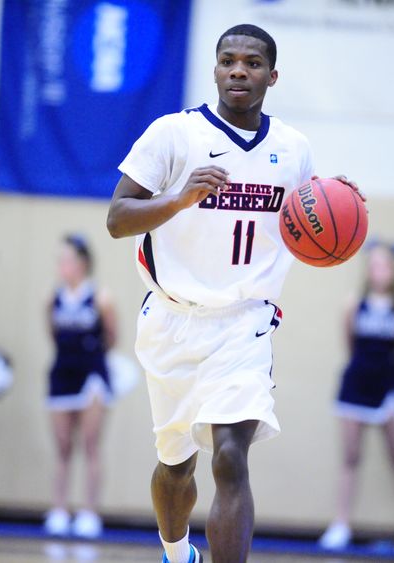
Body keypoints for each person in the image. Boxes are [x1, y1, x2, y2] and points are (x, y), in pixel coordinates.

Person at [106, 24, 362, 563]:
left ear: (272, 76)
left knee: (230, 456)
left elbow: (311, 213)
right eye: (228, 61)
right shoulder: (173, 135)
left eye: (250, 62)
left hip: (245, 320)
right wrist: (179, 199)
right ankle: (177, 554)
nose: (238, 70)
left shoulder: (293, 149)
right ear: (215, 69)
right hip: (172, 318)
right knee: (175, 465)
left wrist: (340, 202)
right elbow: (117, 218)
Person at [318, 241, 394, 555]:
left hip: (390, 385)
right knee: (350, 457)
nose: (379, 270)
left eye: (385, 265)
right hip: (356, 385)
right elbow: (349, 345)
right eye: (374, 265)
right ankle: (341, 525)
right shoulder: (354, 302)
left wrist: (390, 375)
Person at [43, 234, 118, 538]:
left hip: (92, 376)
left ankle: (89, 511)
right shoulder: (52, 298)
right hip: (62, 375)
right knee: (62, 446)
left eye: (68, 259)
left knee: (90, 444)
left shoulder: (101, 297)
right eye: (59, 260)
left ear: (83, 263)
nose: (62, 265)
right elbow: (52, 333)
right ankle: (59, 508)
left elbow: (112, 336)